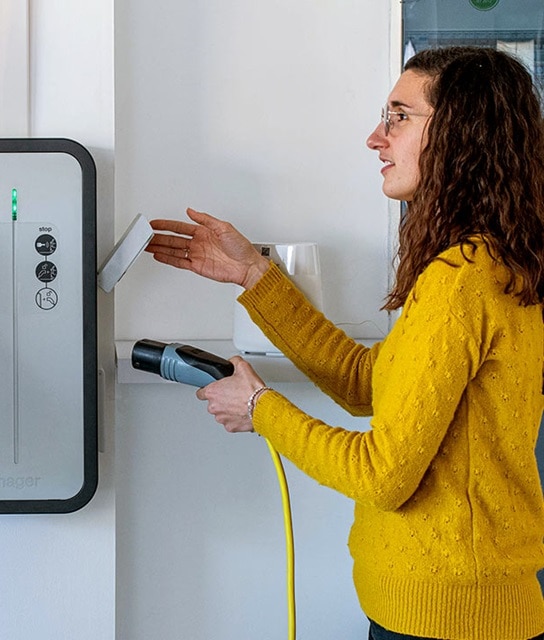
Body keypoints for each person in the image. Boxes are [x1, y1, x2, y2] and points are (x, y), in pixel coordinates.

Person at [146, 46, 544, 640]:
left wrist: (260, 409)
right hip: (450, 609)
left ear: (462, 132)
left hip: (444, 619)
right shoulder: (489, 266)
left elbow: (383, 474)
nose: (375, 138)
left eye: (398, 117)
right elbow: (367, 386)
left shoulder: (462, 279)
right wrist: (255, 275)